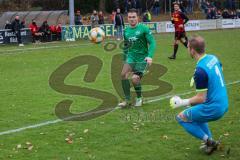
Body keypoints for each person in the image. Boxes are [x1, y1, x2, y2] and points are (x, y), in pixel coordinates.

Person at [170, 35, 228, 155]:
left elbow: (201, 98)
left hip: (214, 107)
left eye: (188, 47)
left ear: (191, 50)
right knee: (195, 112)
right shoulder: (213, 58)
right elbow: (220, 69)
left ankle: (209, 141)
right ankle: (210, 143)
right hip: (223, 102)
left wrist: (182, 102)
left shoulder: (200, 70)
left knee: (181, 117)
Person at [118, 8, 156, 108]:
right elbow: (126, 45)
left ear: (137, 17)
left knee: (135, 79)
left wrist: (150, 56)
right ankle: (127, 100)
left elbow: (152, 42)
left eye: (133, 17)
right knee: (123, 75)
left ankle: (139, 98)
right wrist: (124, 58)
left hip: (142, 58)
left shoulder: (144, 28)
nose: (132, 19)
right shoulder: (126, 30)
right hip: (131, 57)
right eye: (130, 17)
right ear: (127, 18)